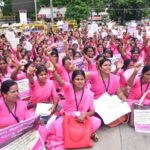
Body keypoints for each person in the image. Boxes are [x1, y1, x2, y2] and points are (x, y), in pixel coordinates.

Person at [46, 70, 101, 149]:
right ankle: (87, 134)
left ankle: (81, 134)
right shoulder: (68, 87)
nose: (80, 81)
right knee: (57, 126)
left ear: (85, 80)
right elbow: (61, 82)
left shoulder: (88, 93)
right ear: (73, 81)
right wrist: (54, 72)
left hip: (81, 118)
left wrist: (84, 115)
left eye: (82, 79)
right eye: (77, 79)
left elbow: (92, 111)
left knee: (97, 121)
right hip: (68, 117)